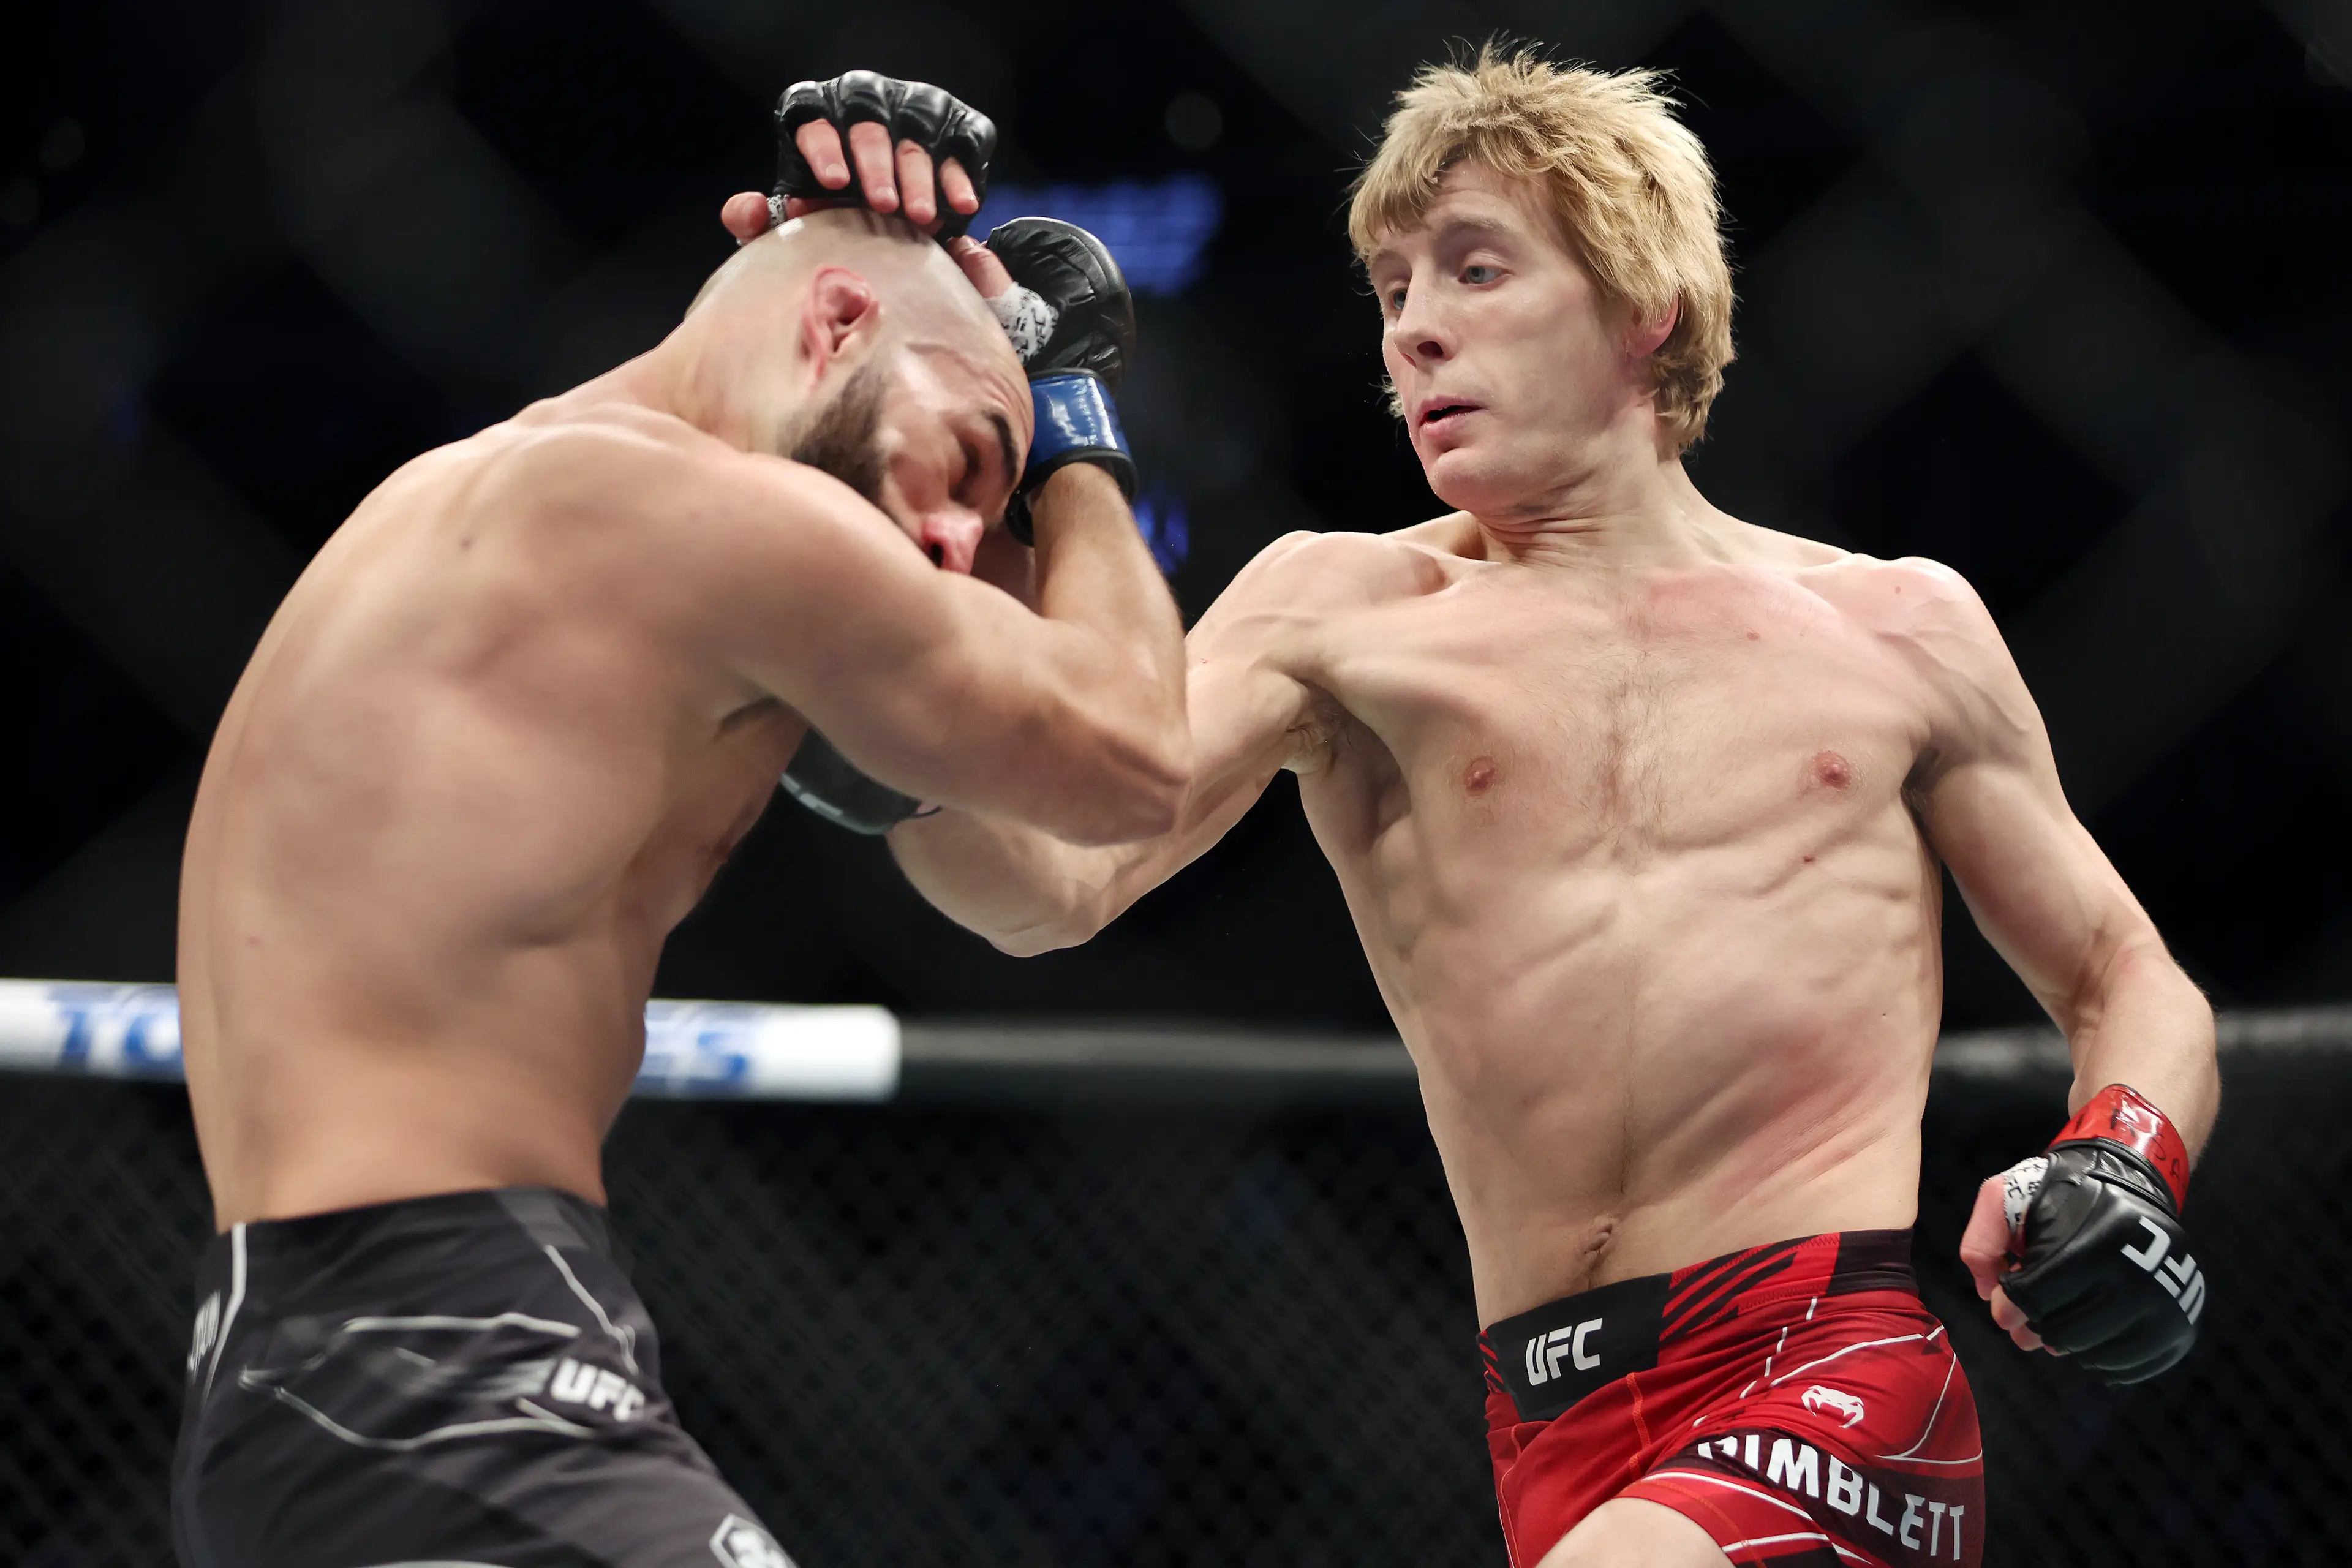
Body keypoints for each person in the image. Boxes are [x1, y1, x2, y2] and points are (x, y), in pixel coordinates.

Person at [749, 50, 2220, 1568]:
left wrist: (2121, 1155)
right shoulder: (1340, 609)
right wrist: (884, 689)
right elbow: (1047, 886)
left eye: (1473, 270)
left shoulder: (1898, 628)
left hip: (1833, 1374)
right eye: (1390, 293)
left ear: (1643, 301)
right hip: (1553, 1421)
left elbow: (2127, 974)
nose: (1417, 330)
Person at [169, 90, 1189, 1568]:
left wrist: (942, 373)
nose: (970, 539)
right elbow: (1130, 754)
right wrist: (1083, 422)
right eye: (973, 459)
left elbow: (1035, 872)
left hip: (342, 1352)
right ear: (837, 323)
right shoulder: (691, 512)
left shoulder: (545, 518)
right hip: (445, 1350)